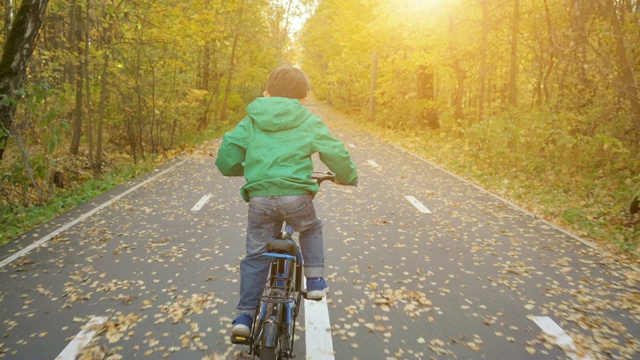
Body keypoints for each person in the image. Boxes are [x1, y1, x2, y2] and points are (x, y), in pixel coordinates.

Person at [215, 65, 358, 337]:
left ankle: (245, 316)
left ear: (268, 92)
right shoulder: (307, 119)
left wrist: (243, 170)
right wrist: (347, 176)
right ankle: (315, 280)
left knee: (255, 256)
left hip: (260, 200)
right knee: (310, 227)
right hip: (296, 199)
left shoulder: (251, 120)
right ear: (302, 97)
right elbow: (334, 152)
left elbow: (227, 157)